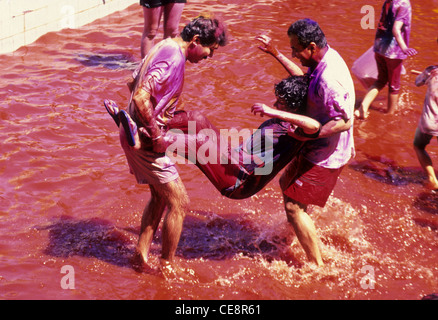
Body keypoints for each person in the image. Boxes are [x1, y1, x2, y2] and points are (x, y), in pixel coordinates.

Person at [106, 15, 227, 272]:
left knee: (160, 197)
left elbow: (132, 81)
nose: (209, 58)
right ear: (195, 41)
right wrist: (155, 133)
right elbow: (140, 96)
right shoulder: (174, 58)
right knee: (179, 202)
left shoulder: (164, 45)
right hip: (147, 140)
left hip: (136, 132)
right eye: (209, 52)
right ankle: (167, 268)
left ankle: (140, 256)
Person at [106, 75, 321, 200]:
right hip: (233, 159)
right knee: (197, 119)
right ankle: (144, 122)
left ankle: (149, 140)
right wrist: (275, 52)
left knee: (201, 144)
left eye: (280, 103)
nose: (275, 105)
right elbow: (306, 79)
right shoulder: (293, 114)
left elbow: (315, 127)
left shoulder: (296, 131)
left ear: (294, 107)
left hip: (239, 181)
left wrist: (273, 113)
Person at [256, 18, 355, 266]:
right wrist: (275, 53)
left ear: (311, 47)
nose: (294, 54)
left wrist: (309, 134)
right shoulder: (325, 59)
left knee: (293, 208)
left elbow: (345, 121)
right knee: (287, 185)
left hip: (326, 153)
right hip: (317, 148)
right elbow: (304, 78)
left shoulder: (329, 80)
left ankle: (316, 265)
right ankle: (299, 233)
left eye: (294, 49)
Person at [355, 0, 417, 119]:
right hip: (393, 52)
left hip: (379, 47)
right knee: (394, 86)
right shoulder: (404, 3)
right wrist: (404, 48)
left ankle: (362, 107)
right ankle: (390, 115)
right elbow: (396, 29)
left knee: (381, 80)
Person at [413, 64, 438, 190]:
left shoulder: (431, 70)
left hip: (430, 122)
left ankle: (432, 178)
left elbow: (417, 82)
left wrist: (426, 75)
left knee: (418, 146)